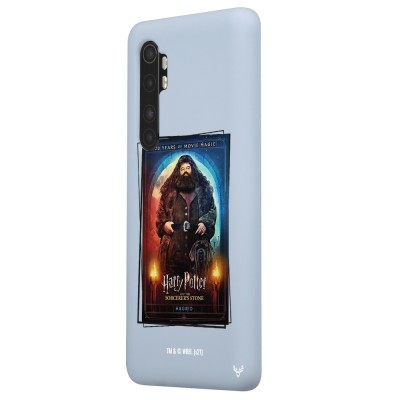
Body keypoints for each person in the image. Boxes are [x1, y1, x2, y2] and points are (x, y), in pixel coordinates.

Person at [156, 155, 216, 276]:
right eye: (182, 169)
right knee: (172, 285)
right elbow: (160, 214)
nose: (185, 171)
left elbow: (212, 210)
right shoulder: (168, 193)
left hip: (198, 254)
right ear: (178, 172)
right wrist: (164, 225)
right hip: (173, 254)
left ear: (193, 169)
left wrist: (205, 223)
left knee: (199, 284)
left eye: (188, 168)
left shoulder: (205, 191)